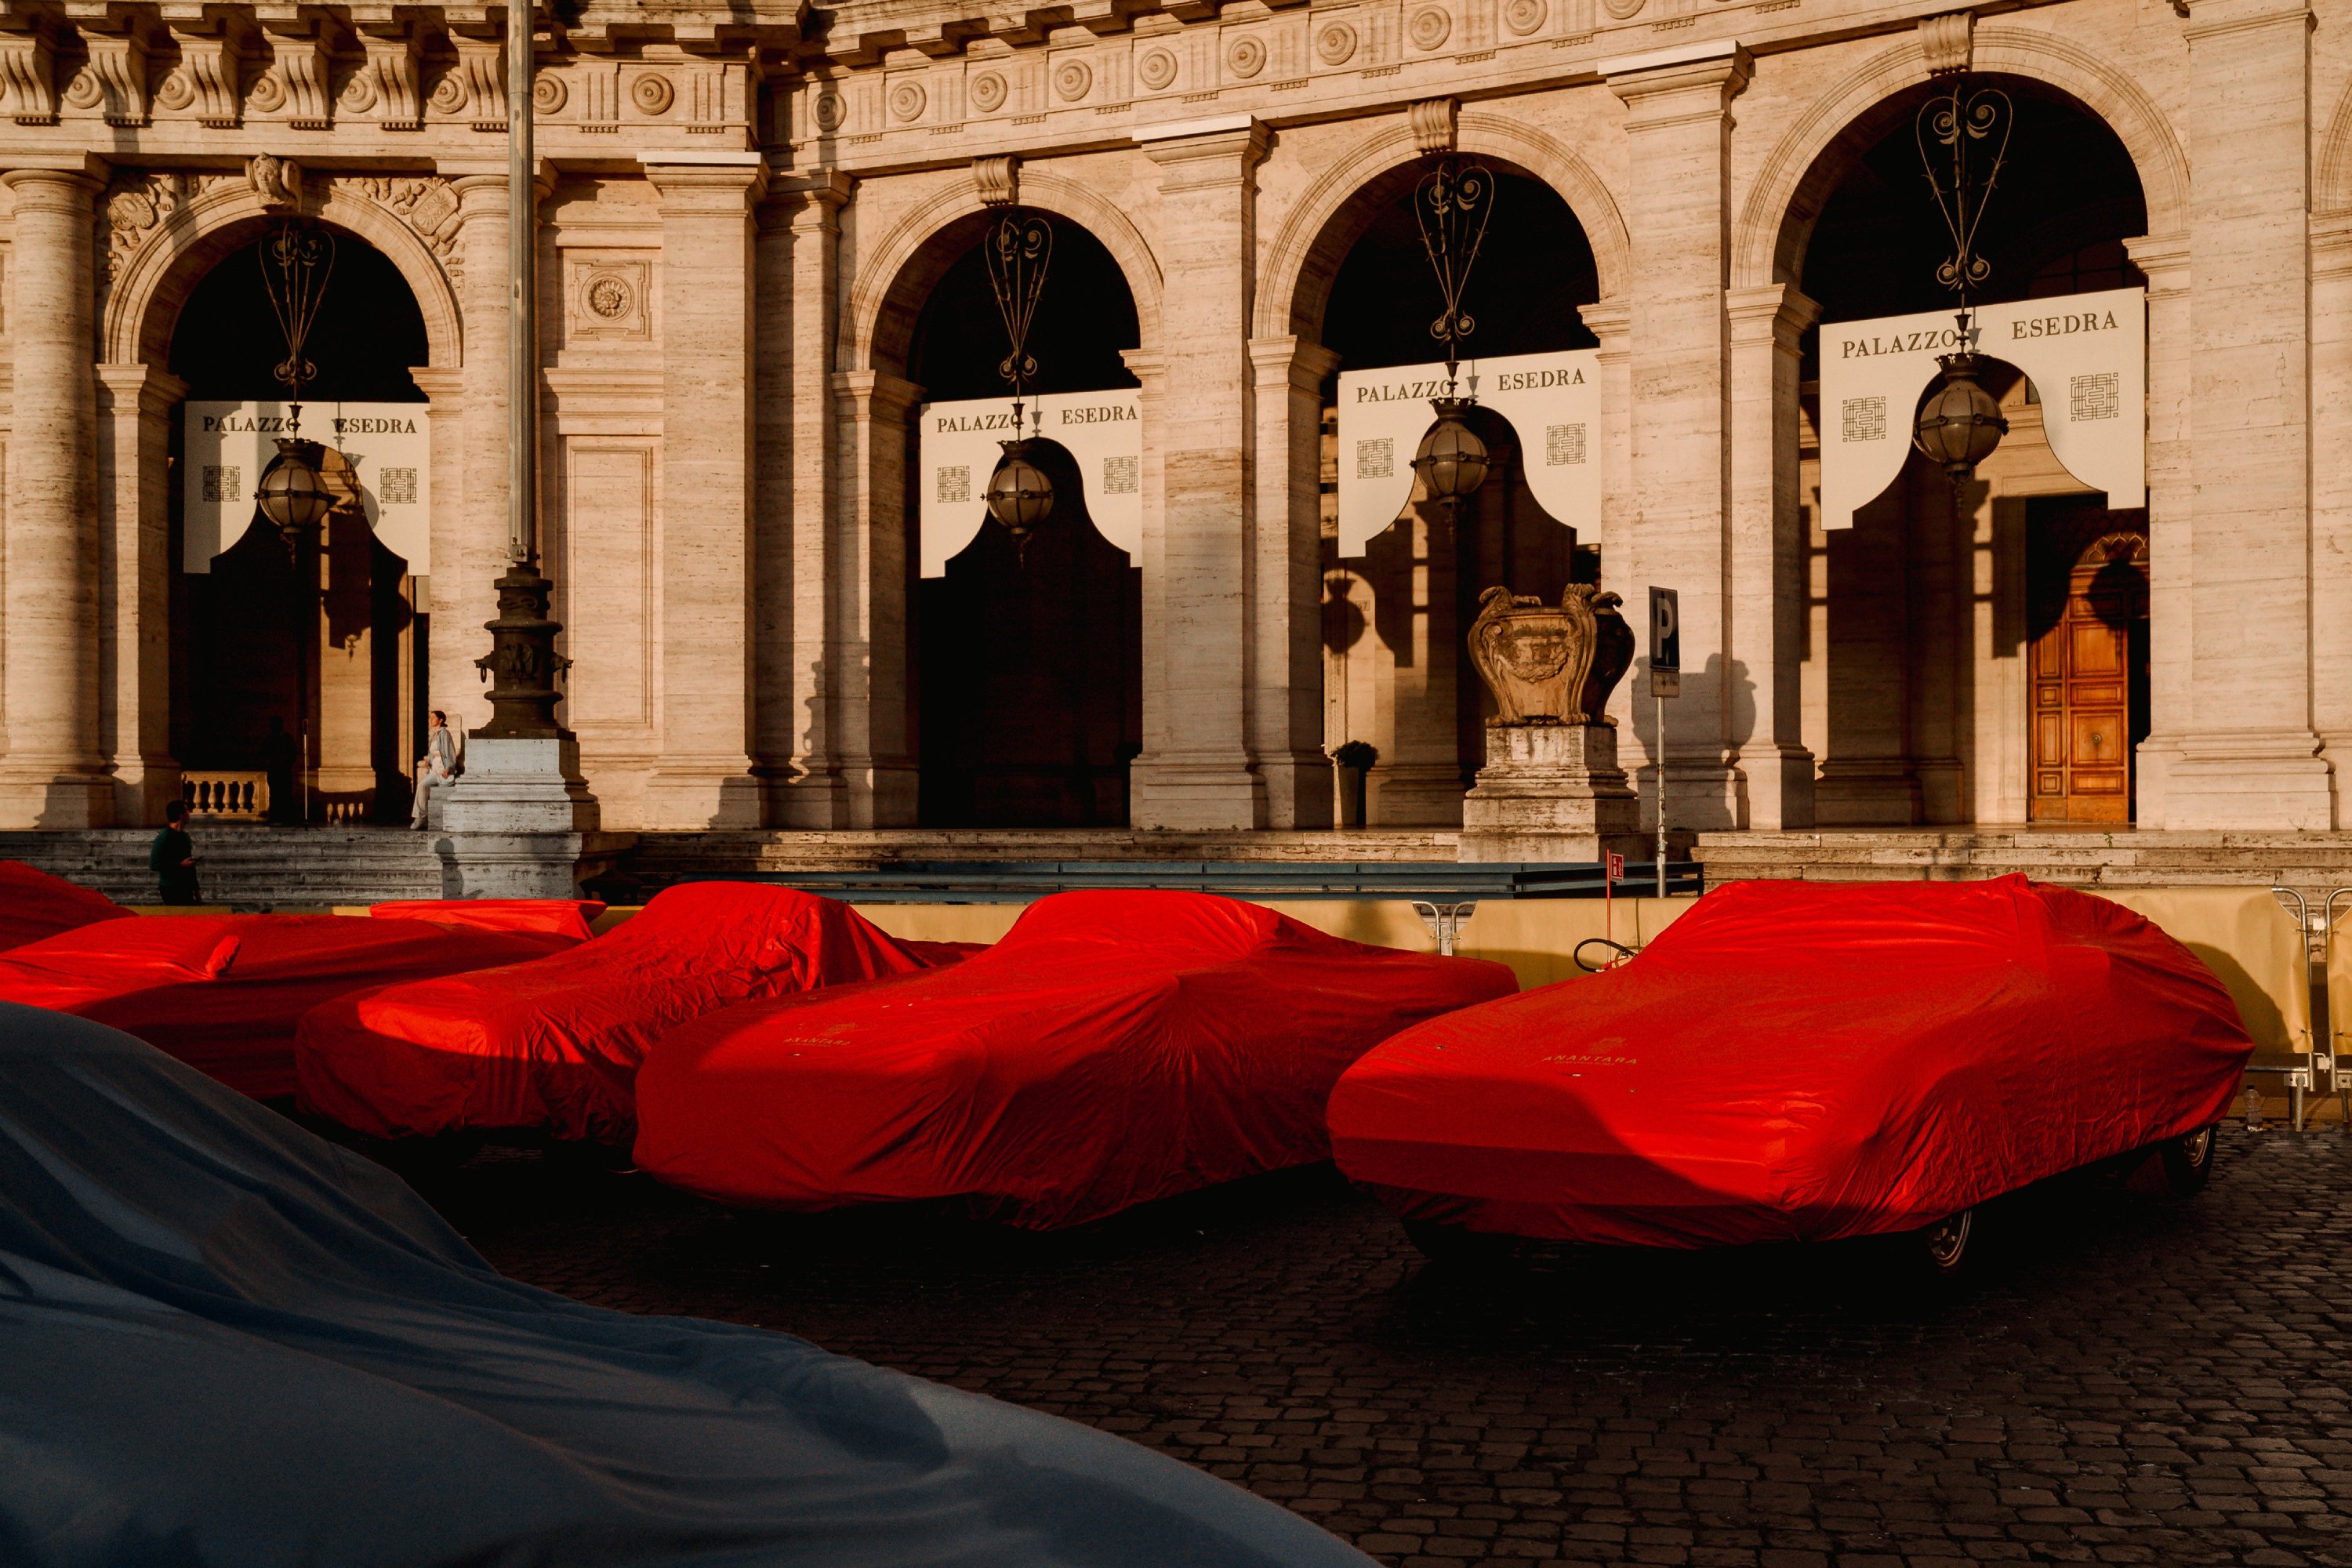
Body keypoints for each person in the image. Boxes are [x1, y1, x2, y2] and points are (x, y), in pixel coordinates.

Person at [411, 710, 459, 829]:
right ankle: (420, 816)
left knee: (423, 786)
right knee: (422, 786)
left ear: (441, 720)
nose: (431, 720)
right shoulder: (434, 735)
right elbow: (432, 753)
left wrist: (449, 767)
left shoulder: (445, 733)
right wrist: (428, 762)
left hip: (443, 767)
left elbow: (449, 751)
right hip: (434, 768)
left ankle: (422, 817)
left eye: (433, 718)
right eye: (430, 718)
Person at [150, 800, 200, 905]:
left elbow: (190, 867)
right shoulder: (164, 837)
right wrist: (180, 865)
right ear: (181, 815)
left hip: (186, 886)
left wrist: (196, 890)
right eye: (187, 810)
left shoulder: (185, 837)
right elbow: (155, 865)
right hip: (170, 887)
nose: (189, 813)